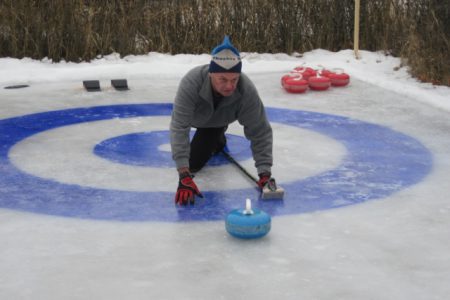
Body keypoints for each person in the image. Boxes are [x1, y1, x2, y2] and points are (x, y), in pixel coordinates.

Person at [170, 35, 275, 205]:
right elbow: (179, 127)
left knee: (195, 161)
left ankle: (218, 136)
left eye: (234, 79)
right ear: (211, 73)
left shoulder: (245, 89)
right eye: (223, 79)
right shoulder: (192, 82)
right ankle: (216, 137)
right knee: (190, 167)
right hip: (197, 119)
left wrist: (265, 174)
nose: (229, 86)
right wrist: (183, 174)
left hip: (218, 121)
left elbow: (260, 131)